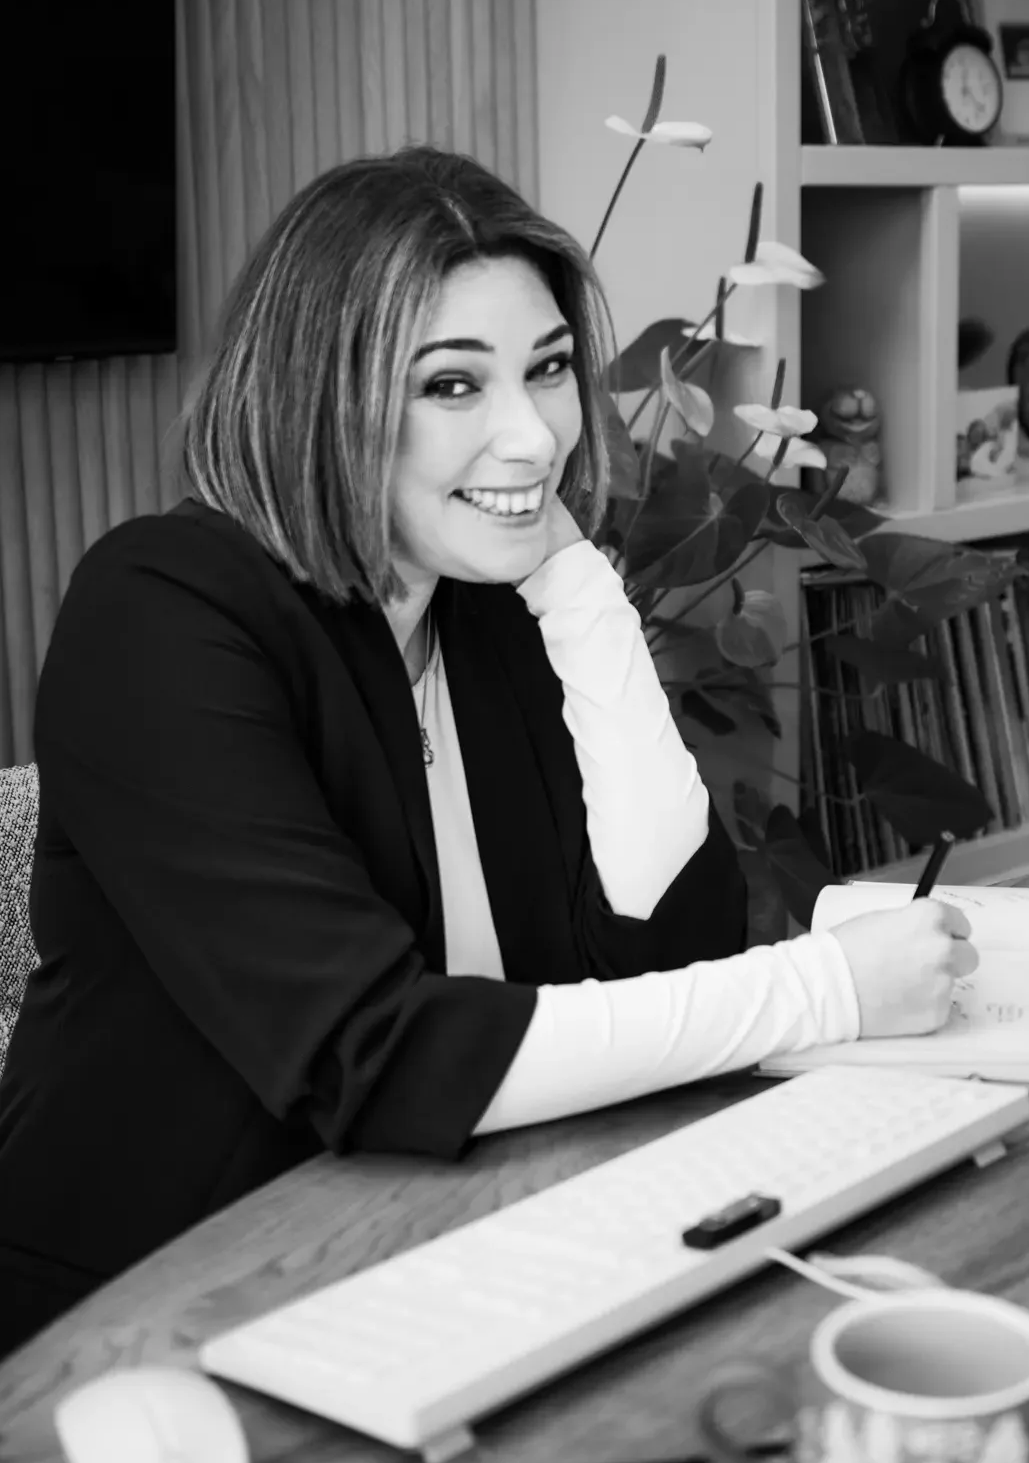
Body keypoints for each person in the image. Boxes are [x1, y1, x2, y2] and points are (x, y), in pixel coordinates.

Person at [0, 147, 976, 1359]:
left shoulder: (489, 601)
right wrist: (829, 986)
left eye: (550, 369)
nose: (533, 434)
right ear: (323, 393)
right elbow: (379, 1056)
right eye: (452, 386)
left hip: (440, 1241)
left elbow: (670, 949)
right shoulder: (162, 611)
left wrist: (580, 589)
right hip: (147, 1309)